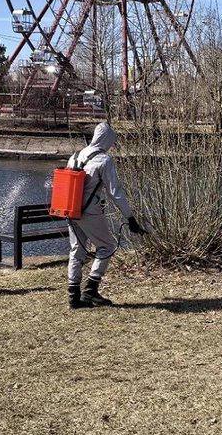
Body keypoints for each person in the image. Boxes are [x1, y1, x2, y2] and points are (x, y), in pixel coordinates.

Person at [66, 122, 146, 309]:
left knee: (76, 250)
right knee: (107, 246)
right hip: (90, 212)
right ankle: (90, 291)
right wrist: (130, 218)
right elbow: (115, 192)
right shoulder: (104, 160)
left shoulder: (75, 156)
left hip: (70, 209)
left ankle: (73, 296)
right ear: (107, 140)